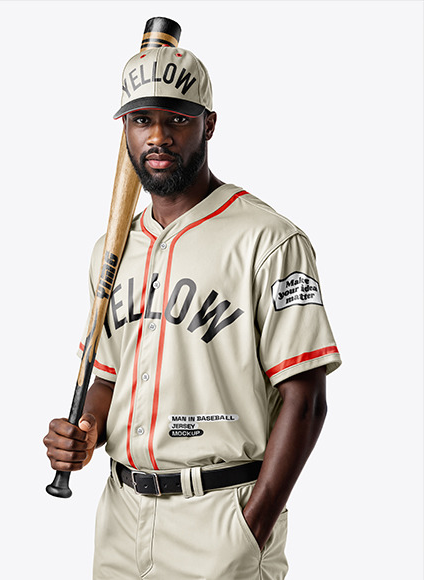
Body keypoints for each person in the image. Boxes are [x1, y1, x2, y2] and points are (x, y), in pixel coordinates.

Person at [44, 45, 341, 580]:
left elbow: (306, 399)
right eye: (142, 120)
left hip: (222, 512)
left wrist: (252, 526)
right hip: (119, 517)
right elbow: (109, 375)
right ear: (126, 132)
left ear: (209, 125)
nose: (157, 136)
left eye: (176, 119)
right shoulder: (111, 250)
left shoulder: (268, 241)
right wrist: (86, 429)